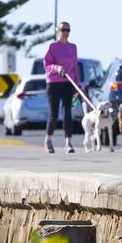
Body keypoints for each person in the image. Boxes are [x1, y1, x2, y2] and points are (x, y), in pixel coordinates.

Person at [44, 22, 80, 154]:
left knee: (67, 114)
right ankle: (48, 140)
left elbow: (74, 67)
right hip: (53, 83)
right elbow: (46, 65)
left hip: (68, 83)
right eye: (63, 30)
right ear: (58, 31)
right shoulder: (52, 46)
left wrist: (77, 84)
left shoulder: (73, 47)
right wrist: (57, 68)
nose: (65, 32)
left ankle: (68, 143)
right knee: (53, 114)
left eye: (67, 30)